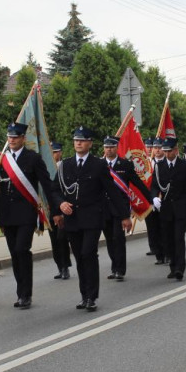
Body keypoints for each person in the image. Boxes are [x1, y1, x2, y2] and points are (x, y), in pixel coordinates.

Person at [0, 121, 58, 310]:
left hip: (26, 214)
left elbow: (47, 185)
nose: (12, 140)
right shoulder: (1, 159)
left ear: (23, 138)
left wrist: (56, 207)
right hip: (7, 215)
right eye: (9, 136)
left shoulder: (33, 158)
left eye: (15, 137)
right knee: (15, 253)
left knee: (22, 250)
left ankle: (25, 294)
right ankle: (20, 291)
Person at [56, 127, 132, 311]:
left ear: (90, 143)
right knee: (79, 257)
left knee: (88, 253)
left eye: (82, 140)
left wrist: (124, 215)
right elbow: (54, 189)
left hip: (92, 218)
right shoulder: (65, 165)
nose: (79, 143)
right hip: (72, 219)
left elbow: (112, 191)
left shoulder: (98, 165)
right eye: (76, 140)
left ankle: (92, 296)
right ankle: (84, 295)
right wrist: (60, 205)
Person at [101, 134, 151, 281]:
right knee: (109, 239)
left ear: (117, 148)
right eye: (106, 147)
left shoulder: (125, 165)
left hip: (120, 208)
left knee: (118, 238)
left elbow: (138, 183)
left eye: (111, 147)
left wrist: (151, 198)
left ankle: (120, 270)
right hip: (104, 208)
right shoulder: (99, 164)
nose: (109, 150)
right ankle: (114, 266)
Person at [151, 137, 186, 280]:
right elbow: (154, 185)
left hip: (181, 208)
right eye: (164, 151)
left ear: (176, 150)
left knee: (178, 238)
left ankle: (180, 268)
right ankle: (173, 265)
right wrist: (154, 197)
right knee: (168, 239)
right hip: (166, 208)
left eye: (169, 151)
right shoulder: (159, 166)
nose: (166, 153)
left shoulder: (184, 165)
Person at [47, 141, 72, 280]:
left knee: (61, 238)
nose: (53, 155)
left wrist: (61, 210)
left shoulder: (64, 168)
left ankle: (65, 267)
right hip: (50, 209)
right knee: (54, 240)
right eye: (51, 152)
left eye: (55, 152)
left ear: (60, 153)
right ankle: (59, 266)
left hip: (62, 208)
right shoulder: (45, 168)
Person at [144, 138, 167, 265]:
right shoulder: (147, 164)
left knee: (165, 228)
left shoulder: (167, 163)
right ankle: (159, 255)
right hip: (151, 201)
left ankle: (168, 253)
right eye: (155, 147)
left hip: (165, 201)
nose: (157, 150)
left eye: (160, 147)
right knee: (153, 228)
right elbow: (145, 182)